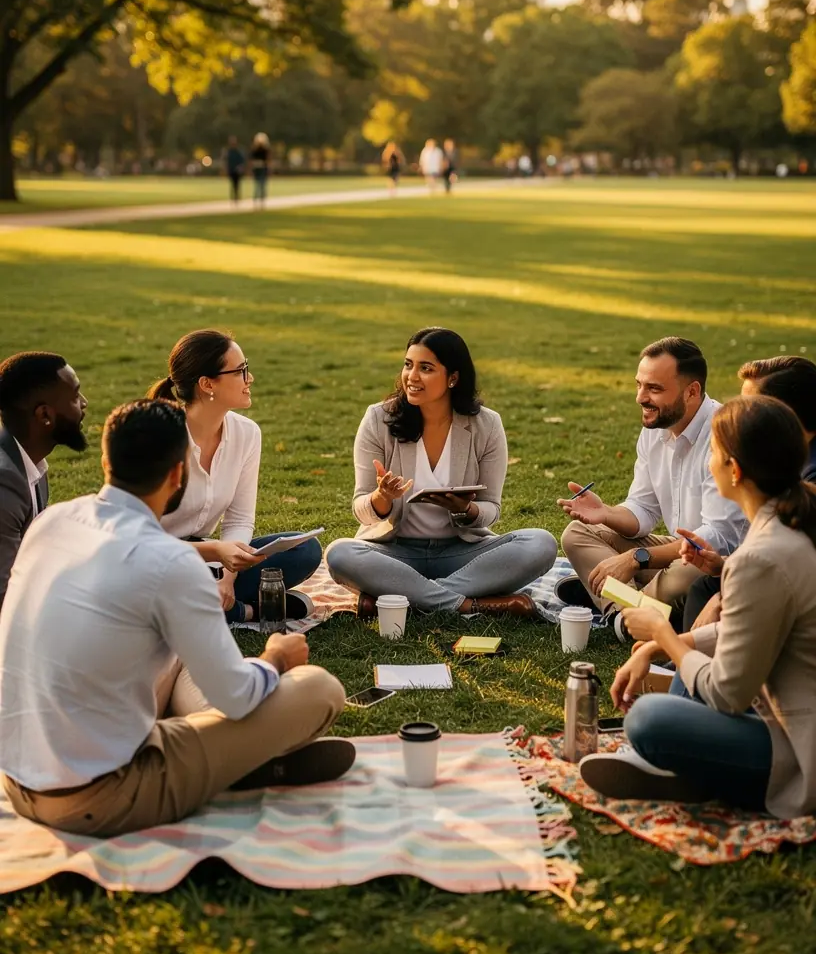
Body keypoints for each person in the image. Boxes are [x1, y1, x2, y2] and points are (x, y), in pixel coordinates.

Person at [0, 399, 352, 838]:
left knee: (180, 655)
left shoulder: (54, 522)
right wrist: (276, 657)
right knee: (320, 688)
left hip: (18, 780)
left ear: (107, 460)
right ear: (177, 474)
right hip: (101, 795)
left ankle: (233, 754)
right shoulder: (169, 564)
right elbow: (237, 697)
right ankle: (241, 761)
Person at [579, 394, 816, 816]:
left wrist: (663, 636)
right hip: (782, 717)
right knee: (684, 673)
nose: (709, 464)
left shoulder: (762, 556)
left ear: (735, 470)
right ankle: (685, 770)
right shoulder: (788, 527)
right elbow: (750, 628)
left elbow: (727, 692)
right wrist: (660, 646)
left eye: (715, 455)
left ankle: (690, 772)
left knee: (649, 718)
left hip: (799, 753)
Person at [326, 327, 557, 616]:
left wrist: (467, 510)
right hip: (394, 553)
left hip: (460, 552)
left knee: (541, 543)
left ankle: (405, 599)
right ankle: (467, 605)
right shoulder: (378, 419)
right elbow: (361, 509)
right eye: (408, 365)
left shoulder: (486, 425)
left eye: (426, 368)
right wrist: (381, 498)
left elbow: (492, 509)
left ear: (453, 378)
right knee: (339, 553)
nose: (412, 376)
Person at [558, 337, 746, 627]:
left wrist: (637, 558)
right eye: (639, 385)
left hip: (718, 563)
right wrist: (606, 513)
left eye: (654, 388)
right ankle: (629, 615)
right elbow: (643, 510)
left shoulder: (724, 434)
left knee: (689, 573)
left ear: (692, 392)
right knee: (578, 532)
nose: (640, 398)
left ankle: (620, 607)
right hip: (676, 550)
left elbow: (717, 537)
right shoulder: (655, 428)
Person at [148, 330, 322, 623]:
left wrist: (228, 578)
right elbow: (137, 542)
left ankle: (213, 601)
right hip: (153, 562)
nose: (250, 378)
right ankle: (246, 611)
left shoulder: (247, 433)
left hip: (210, 566)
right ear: (207, 384)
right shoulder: (157, 437)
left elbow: (240, 520)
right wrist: (216, 550)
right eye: (241, 371)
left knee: (303, 549)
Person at [681, 354, 816, 631]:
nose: (740, 416)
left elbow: (792, 567)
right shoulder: (784, 458)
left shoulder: (806, 478)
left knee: (702, 589)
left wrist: (723, 596)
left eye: (750, 408)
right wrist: (724, 565)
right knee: (702, 585)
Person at [0, 352, 87, 610]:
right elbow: (5, 596)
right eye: (75, 396)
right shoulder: (5, 484)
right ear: (45, 415)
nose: (84, 403)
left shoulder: (29, 462)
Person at [250, 132, 271, 206]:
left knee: (262, 186)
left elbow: (267, 160)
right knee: (257, 186)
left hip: (262, 169)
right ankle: (257, 201)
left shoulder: (265, 150)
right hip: (258, 169)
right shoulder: (255, 150)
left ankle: (261, 201)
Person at [224, 136, 245, 204]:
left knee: (237, 184)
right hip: (231, 170)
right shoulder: (229, 151)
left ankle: (236, 197)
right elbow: (227, 161)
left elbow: (241, 161)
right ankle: (234, 197)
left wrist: (240, 167)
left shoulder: (238, 151)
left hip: (237, 170)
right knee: (232, 184)